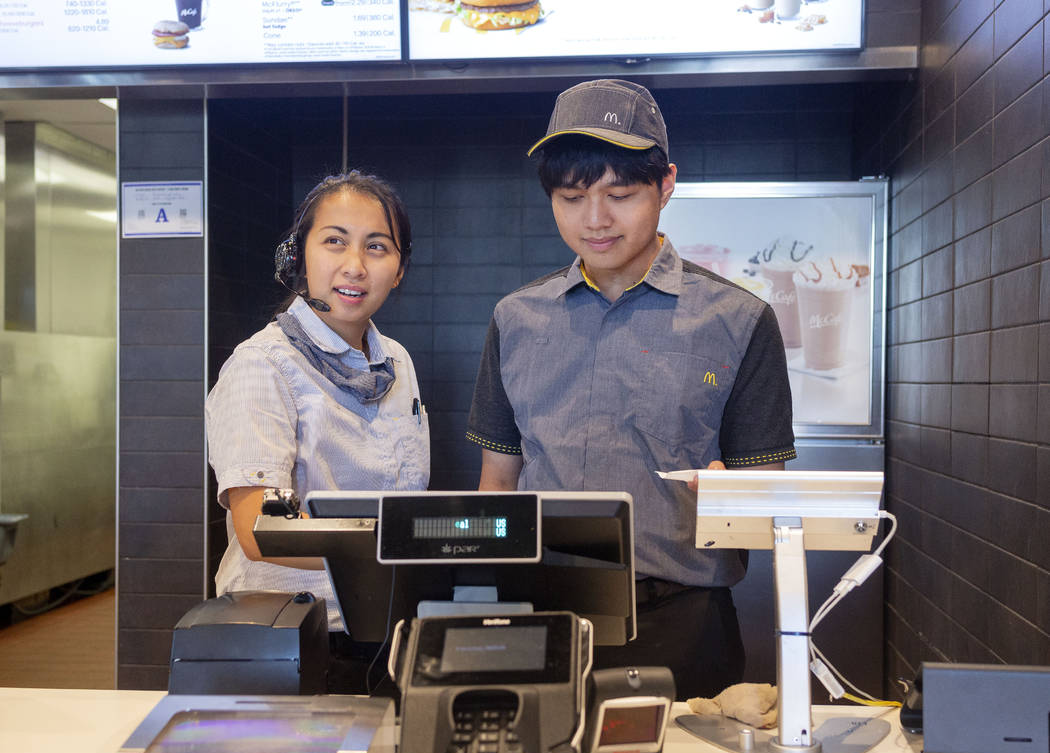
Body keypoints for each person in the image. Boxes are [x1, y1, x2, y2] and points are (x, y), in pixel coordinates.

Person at [465, 80, 796, 700]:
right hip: (540, 614)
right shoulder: (516, 319)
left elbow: (769, 510)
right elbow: (497, 485)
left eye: (620, 194)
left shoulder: (739, 320)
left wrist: (734, 498)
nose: (595, 219)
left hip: (683, 621)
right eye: (572, 197)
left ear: (665, 185)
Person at [205, 171, 429, 694]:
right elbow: (259, 528)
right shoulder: (262, 366)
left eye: (377, 247)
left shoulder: (397, 362)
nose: (354, 266)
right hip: (291, 639)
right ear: (297, 256)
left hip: (386, 633)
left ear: (398, 270)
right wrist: (404, 546)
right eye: (334, 241)